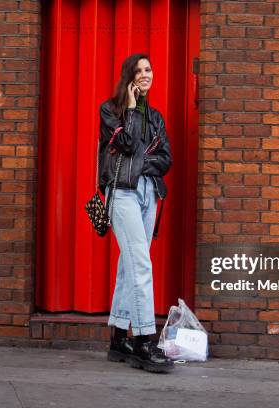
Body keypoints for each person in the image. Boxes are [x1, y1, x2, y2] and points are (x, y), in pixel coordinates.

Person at [97, 53, 173, 373]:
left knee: (129, 267)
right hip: (122, 194)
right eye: (139, 70)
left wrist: (143, 162)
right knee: (141, 263)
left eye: (149, 69)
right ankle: (143, 340)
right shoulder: (110, 111)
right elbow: (125, 143)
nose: (145, 75)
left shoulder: (155, 117)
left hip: (148, 194)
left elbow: (165, 160)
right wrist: (130, 108)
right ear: (129, 77)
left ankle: (118, 339)